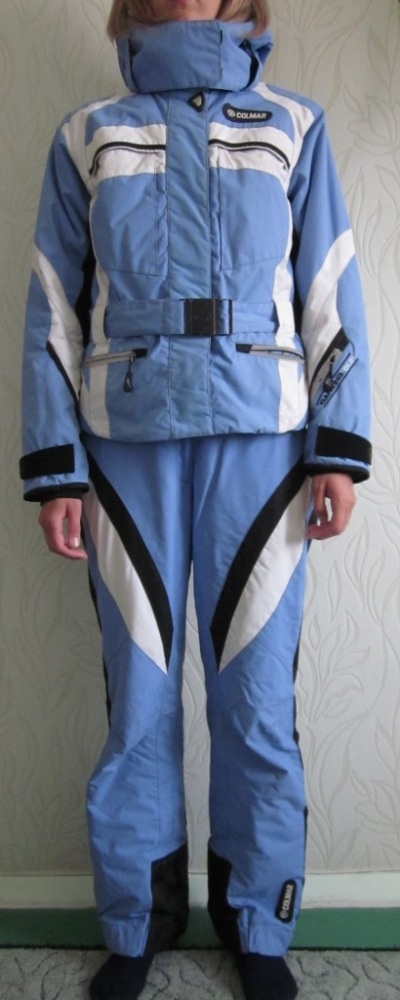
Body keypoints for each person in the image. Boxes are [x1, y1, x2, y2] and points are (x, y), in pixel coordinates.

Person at [20, 0, 372, 996]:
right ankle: (135, 923)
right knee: (137, 704)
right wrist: (55, 466)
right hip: (124, 450)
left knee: (255, 705)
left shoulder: (294, 127)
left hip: (263, 452)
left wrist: (338, 450)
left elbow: (329, 288)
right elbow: (50, 306)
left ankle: (259, 925)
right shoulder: (86, 135)